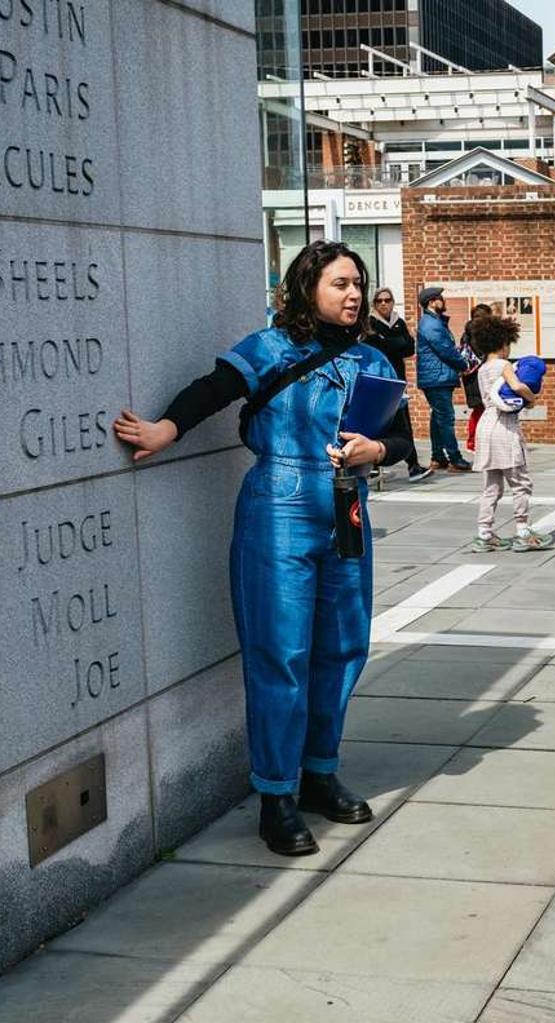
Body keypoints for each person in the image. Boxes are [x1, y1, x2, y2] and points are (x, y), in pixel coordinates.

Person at [111, 241, 406, 856]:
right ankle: (276, 794)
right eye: (339, 284)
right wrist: (165, 429)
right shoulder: (271, 348)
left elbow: (400, 438)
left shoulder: (375, 358)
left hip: (347, 507)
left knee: (344, 646)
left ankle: (320, 773)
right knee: (281, 651)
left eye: (358, 283)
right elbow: (213, 388)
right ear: (307, 289)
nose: (353, 295)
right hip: (279, 503)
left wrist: (376, 451)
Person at [467, 316, 550, 553]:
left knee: (491, 486)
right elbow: (517, 387)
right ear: (503, 342)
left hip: (486, 425)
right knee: (520, 481)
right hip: (505, 427)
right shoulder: (504, 365)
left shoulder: (482, 369)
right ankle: (523, 530)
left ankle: (484, 533)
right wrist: (532, 399)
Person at [367, 287, 432, 483]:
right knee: (377, 423)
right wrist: (395, 343)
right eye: (379, 301)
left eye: (388, 300)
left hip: (398, 380)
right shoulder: (369, 323)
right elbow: (376, 346)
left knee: (403, 423)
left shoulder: (399, 322)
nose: (384, 304)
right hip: (379, 380)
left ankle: (413, 465)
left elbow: (409, 348)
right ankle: (372, 467)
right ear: (374, 304)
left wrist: (389, 342)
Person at [413, 286, 474, 472]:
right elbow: (445, 350)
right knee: (446, 418)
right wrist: (464, 365)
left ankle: (438, 457)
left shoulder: (434, 322)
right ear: (432, 302)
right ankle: (455, 458)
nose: (443, 301)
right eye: (440, 298)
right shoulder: (431, 324)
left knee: (438, 417)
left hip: (437, 377)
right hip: (437, 378)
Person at [463, 303, 494, 454]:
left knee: (479, 409)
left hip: (471, 376)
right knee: (481, 409)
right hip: (479, 376)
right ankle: (473, 442)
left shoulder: (467, 333)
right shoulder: (479, 334)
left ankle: (475, 441)